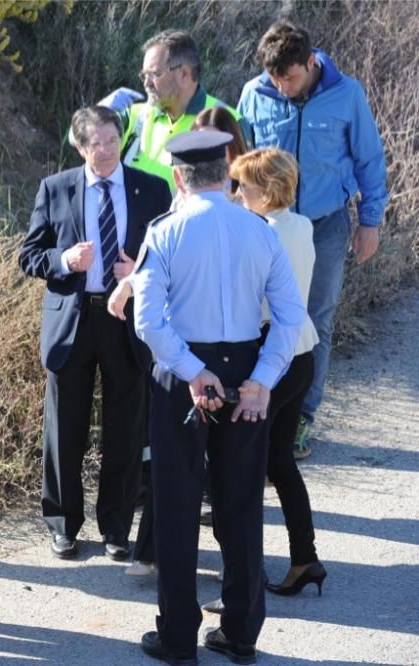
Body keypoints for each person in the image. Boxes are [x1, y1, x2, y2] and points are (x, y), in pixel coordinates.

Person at [132, 130, 304, 665]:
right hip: (248, 368)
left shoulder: (164, 231)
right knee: (241, 502)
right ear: (227, 169)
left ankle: (180, 637)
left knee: (178, 504)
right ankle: (241, 632)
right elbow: (290, 316)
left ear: (180, 177)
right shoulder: (259, 230)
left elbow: (147, 321)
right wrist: (263, 380)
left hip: (185, 372)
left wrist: (191, 370)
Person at [19, 105, 172, 561]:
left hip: (127, 317)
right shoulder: (57, 188)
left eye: (112, 140)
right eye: (95, 143)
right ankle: (62, 523)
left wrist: (139, 272)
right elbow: (29, 254)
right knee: (65, 425)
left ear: (122, 140)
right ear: (79, 145)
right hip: (73, 317)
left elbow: (171, 256)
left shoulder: (153, 188)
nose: (105, 151)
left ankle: (117, 527)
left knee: (126, 425)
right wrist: (64, 261)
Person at [238, 20, 388, 456]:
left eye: (290, 77)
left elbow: (369, 161)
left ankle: (302, 417)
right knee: (261, 317)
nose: (282, 87)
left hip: (324, 226)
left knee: (313, 318)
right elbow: (240, 161)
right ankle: (260, 409)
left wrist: (370, 222)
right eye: (274, 78)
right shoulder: (254, 95)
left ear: (310, 62)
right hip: (266, 227)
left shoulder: (347, 95)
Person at [230, 148, 327, 595]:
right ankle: (304, 558)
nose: (236, 193)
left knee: (245, 467)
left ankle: (242, 580)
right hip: (303, 354)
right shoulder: (302, 224)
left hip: (273, 358)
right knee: (279, 461)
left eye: (243, 186)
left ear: (266, 191)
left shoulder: (256, 232)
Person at [114, 30, 245, 191]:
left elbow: (243, 190)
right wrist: (101, 112)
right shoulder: (136, 115)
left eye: (155, 74)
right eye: (144, 75)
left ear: (184, 74)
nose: (146, 83)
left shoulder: (226, 121)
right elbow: (78, 138)